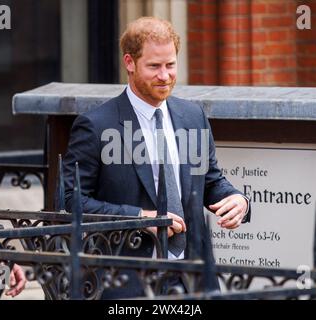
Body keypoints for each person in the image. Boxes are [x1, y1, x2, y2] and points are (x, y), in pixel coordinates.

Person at [63, 16, 250, 298]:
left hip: (193, 277)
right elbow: (68, 199)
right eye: (154, 66)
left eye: (170, 65)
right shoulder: (96, 125)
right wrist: (139, 218)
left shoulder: (193, 116)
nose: (165, 75)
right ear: (129, 63)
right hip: (127, 280)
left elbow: (210, 182)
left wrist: (237, 199)